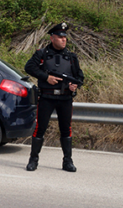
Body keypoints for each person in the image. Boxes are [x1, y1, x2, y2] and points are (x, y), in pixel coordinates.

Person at [24, 22, 84, 172]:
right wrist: (46, 77)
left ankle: (67, 161)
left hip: (65, 99)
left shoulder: (71, 57)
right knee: (40, 129)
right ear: (52, 38)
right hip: (46, 98)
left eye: (65, 37)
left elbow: (79, 77)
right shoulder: (42, 54)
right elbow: (29, 67)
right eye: (60, 37)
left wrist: (74, 86)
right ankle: (33, 160)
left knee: (66, 130)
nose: (63, 39)